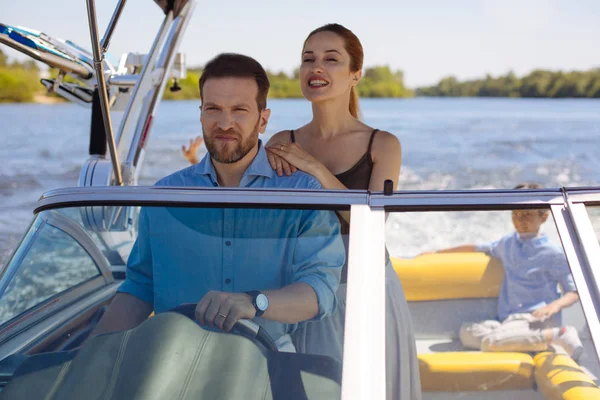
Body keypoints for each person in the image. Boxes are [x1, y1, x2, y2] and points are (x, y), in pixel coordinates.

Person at [93, 53, 345, 351]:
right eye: (213, 109)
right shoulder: (165, 194)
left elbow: (320, 291)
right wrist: (87, 359)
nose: (224, 123)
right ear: (201, 114)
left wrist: (254, 302)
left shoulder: (303, 193)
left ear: (263, 120)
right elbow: (140, 287)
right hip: (172, 361)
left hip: (269, 362)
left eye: (239, 110)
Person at [264, 24, 419, 400]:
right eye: (308, 59)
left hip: (368, 289)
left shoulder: (383, 144)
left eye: (331, 59)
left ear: (355, 75)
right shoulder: (281, 143)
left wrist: (316, 169)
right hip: (309, 292)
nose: (317, 68)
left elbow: (370, 225)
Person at [425, 183, 583, 359]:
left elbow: (575, 292)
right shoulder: (507, 243)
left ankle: (559, 334)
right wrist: (435, 253)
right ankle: (518, 340)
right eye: (515, 214)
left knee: (490, 342)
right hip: (508, 321)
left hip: (537, 321)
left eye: (527, 215)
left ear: (544, 217)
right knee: (467, 332)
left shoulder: (553, 252)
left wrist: (553, 306)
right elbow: (477, 248)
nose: (520, 220)